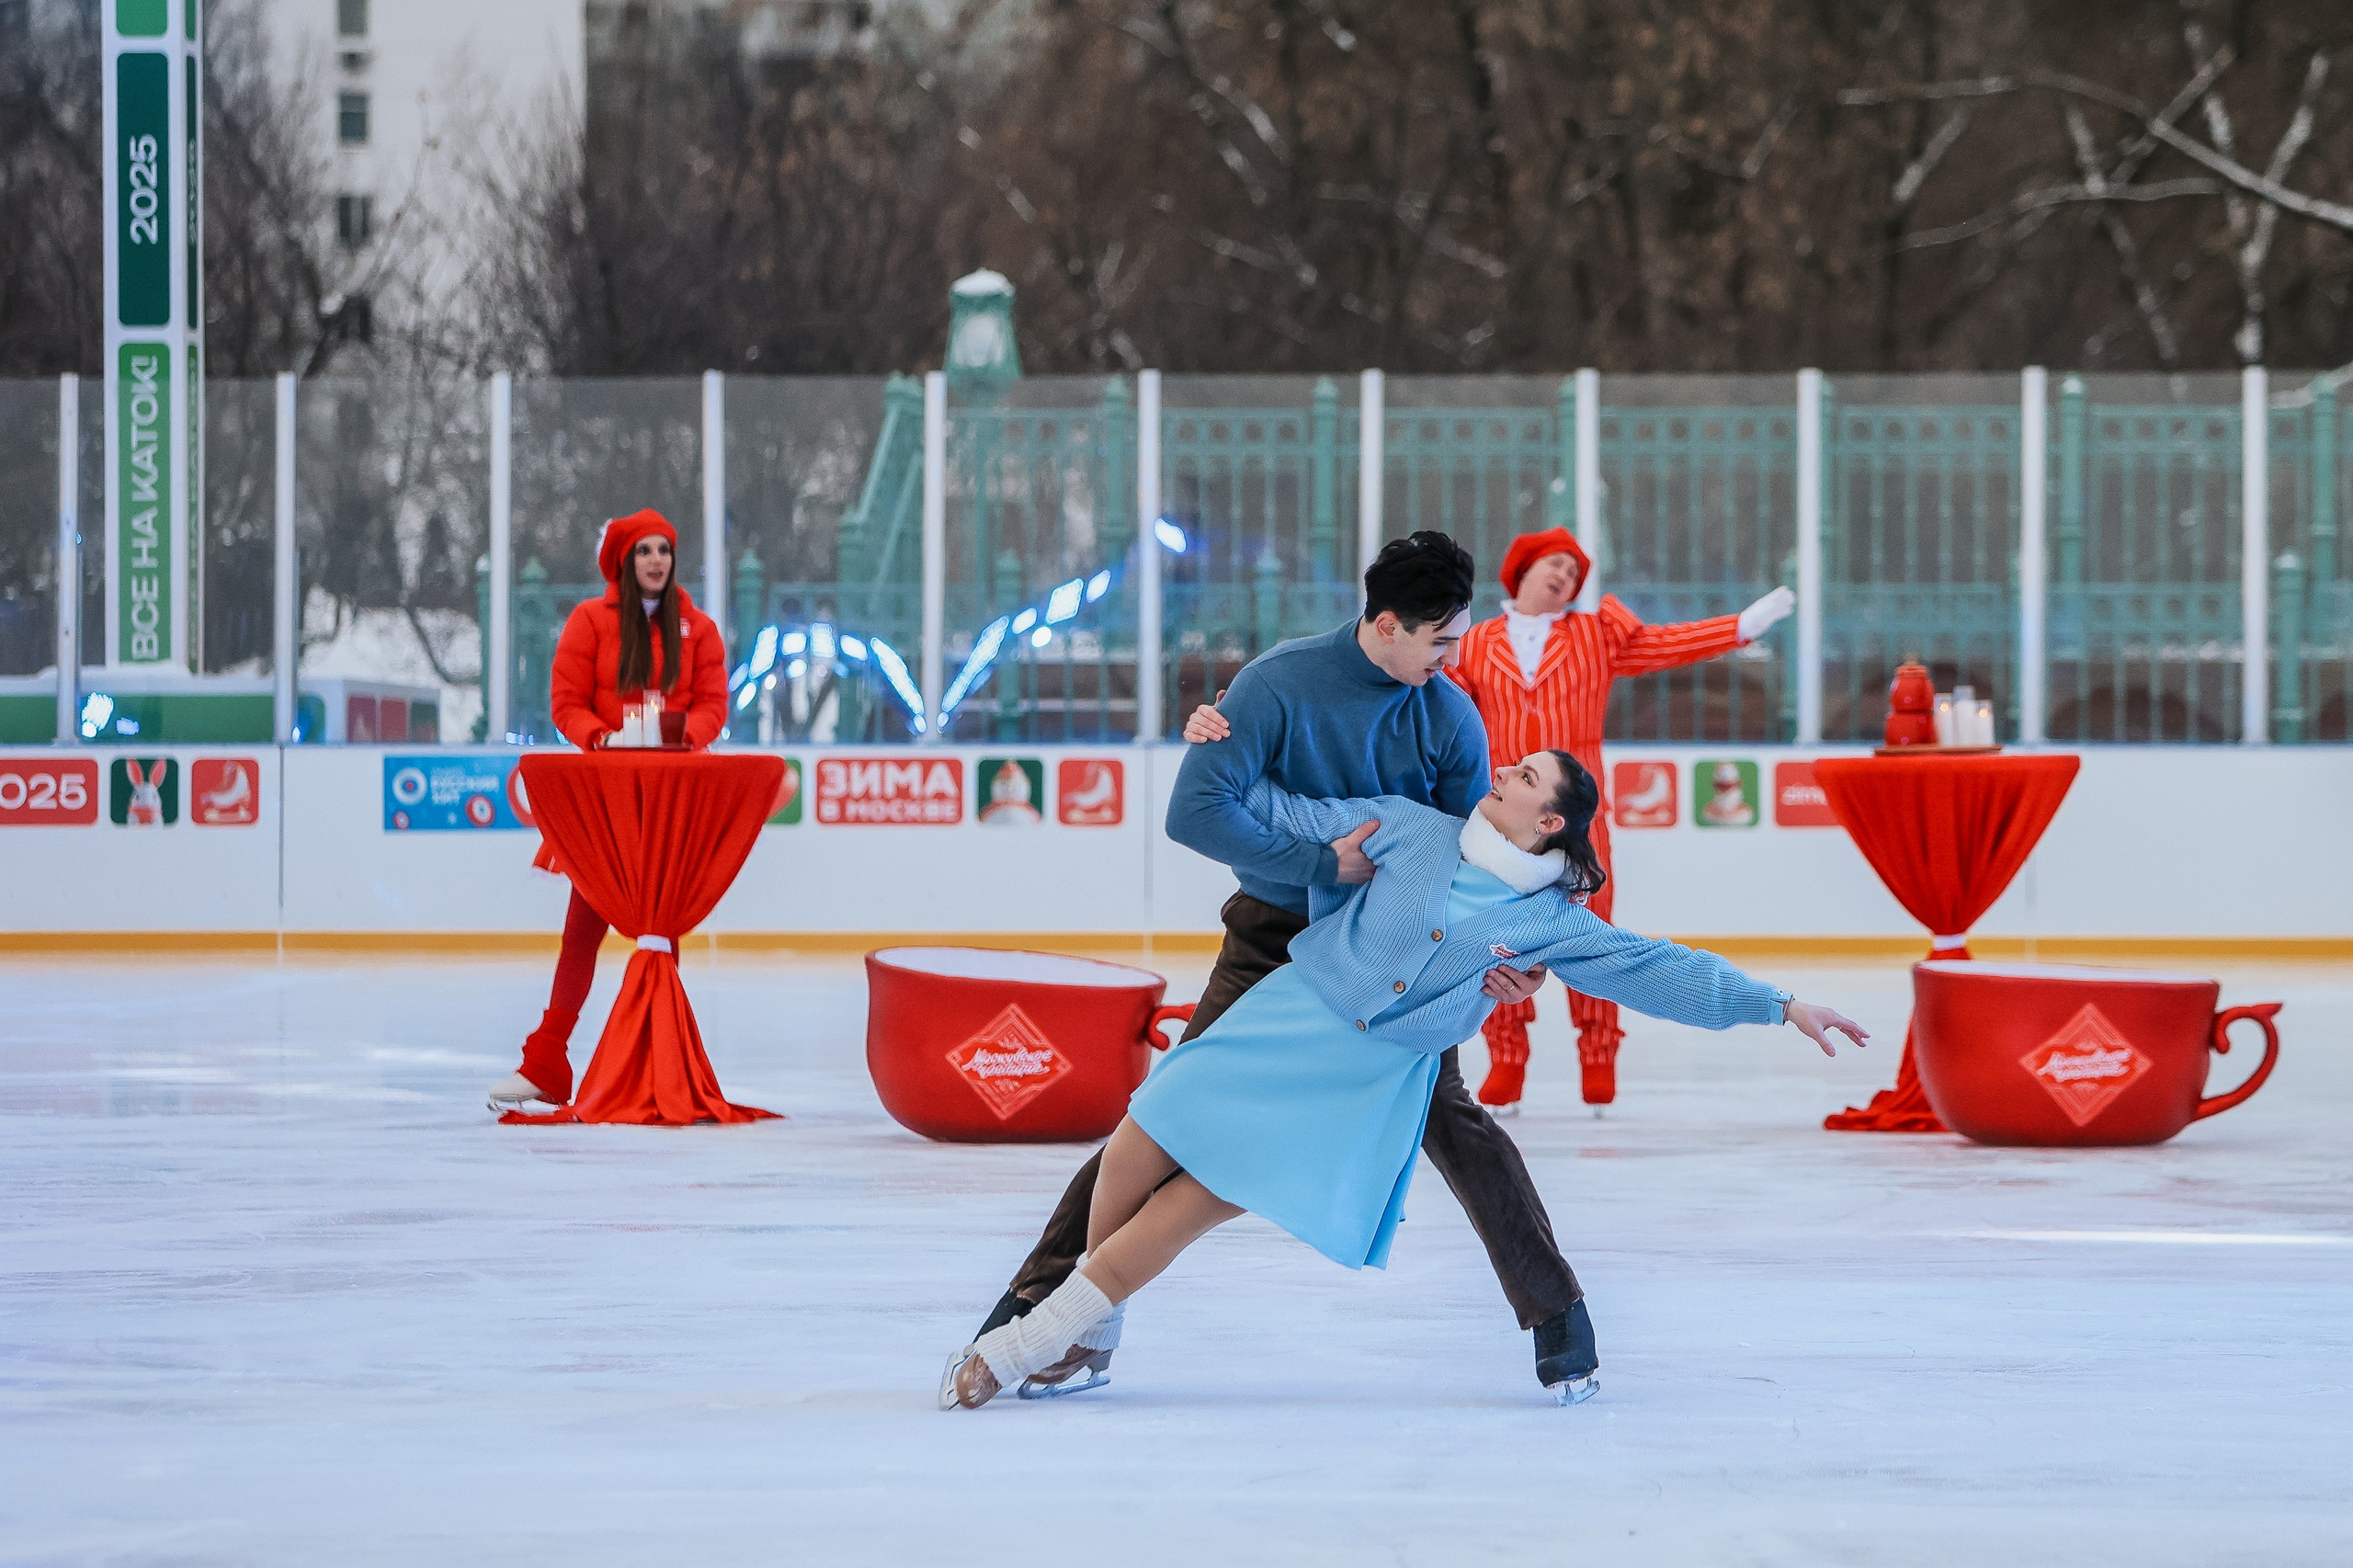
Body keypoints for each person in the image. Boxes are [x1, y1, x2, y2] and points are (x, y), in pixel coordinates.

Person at [941, 748, 1866, 1409]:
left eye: (1527, 778)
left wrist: (1777, 1002)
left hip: (1360, 1078)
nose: (1503, 774)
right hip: (1284, 1016)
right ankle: (1095, 1332)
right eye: (1514, 766)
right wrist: (1221, 749)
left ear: (1549, 823)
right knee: (1134, 1146)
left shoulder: (1547, 919)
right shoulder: (1416, 829)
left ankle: (1027, 1347)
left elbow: (1655, 964)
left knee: (1185, 1208)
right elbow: (1290, 812)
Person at [969, 531, 1596, 1403]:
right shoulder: (1274, 685)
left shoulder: (1449, 714)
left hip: (1391, 961)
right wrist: (1322, 866)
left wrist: (1514, 964)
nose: (1457, 656)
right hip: (1272, 937)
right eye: (1443, 639)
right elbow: (1196, 813)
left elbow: (1474, 865)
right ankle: (1040, 1315)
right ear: (1386, 624)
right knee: (1163, 1116)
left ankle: (1559, 1316)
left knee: (1451, 1118)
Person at [1189, 528, 1795, 1111]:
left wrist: (1745, 625)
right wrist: (1231, 729)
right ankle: (1507, 1054)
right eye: (1552, 564)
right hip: (1441, 836)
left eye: (1574, 571)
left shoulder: (1588, 637)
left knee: (1577, 931)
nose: (1564, 575)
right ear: (1521, 573)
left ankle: (1600, 1050)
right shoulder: (1462, 649)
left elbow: (1667, 645)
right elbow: (1227, 798)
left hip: (1551, 826)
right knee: (1486, 933)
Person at [486, 509, 730, 1112]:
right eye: (644, 551)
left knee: (660, 936)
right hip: (606, 806)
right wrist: (600, 738)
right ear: (624, 560)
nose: (655, 561)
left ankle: (659, 1067)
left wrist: (680, 737)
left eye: (664, 551)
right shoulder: (589, 622)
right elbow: (565, 700)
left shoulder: (697, 629)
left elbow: (713, 702)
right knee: (580, 935)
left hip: (667, 806)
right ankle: (545, 1062)